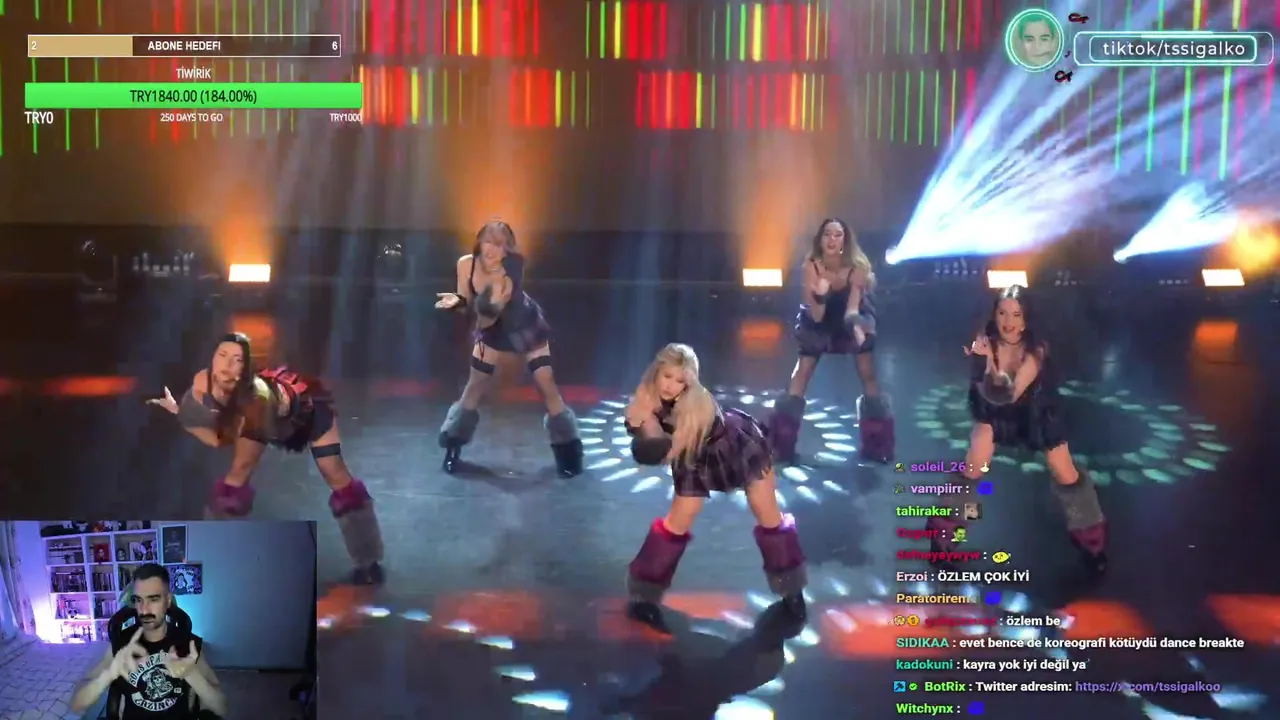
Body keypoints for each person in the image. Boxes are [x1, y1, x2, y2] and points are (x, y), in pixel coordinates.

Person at [149, 332, 385, 585]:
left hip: (308, 415)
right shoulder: (202, 382)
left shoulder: (256, 399)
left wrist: (195, 419)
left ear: (245, 367)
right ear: (213, 358)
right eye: (222, 355)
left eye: (237, 359)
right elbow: (201, 424)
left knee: (334, 473)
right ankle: (218, 559)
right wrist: (179, 411)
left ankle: (369, 560)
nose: (227, 364)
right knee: (234, 482)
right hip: (262, 419)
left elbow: (220, 439)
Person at [623, 343, 808, 632]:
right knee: (678, 521)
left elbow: (665, 450)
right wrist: (641, 423)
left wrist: (648, 435)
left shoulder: (698, 404)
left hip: (736, 448)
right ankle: (643, 596)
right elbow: (648, 440)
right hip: (693, 459)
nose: (671, 385)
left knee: (767, 513)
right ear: (657, 372)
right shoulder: (646, 395)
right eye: (667, 376)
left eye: (680, 380)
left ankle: (792, 590)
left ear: (689, 382)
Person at [928, 285, 1107, 573]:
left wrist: (994, 372)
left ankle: (1091, 543)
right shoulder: (984, 343)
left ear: (1025, 320)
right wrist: (984, 363)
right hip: (995, 411)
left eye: (1016, 314)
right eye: (1002, 313)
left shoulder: (1036, 349)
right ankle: (944, 537)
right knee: (975, 462)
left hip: (1036, 413)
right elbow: (985, 391)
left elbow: (1011, 392)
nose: (1008, 321)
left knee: (1064, 471)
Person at [434, 220, 583, 477]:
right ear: (479, 242)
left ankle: (569, 453)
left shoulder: (512, 267)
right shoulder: (466, 264)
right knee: (474, 385)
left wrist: (476, 314)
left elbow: (492, 312)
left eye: (500, 245)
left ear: (507, 250)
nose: (492, 249)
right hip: (492, 329)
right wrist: (456, 302)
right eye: (488, 242)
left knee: (546, 384)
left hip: (524, 325)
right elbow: (466, 302)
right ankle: (453, 448)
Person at [767, 217, 894, 463]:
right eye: (827, 234)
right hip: (819, 319)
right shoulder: (811, 266)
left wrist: (857, 329)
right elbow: (816, 315)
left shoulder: (857, 268)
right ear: (820, 239)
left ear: (845, 241)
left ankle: (878, 445)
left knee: (867, 372)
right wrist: (821, 295)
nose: (832, 240)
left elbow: (852, 310)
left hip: (849, 317)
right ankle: (781, 444)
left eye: (838, 235)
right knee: (802, 372)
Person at [69, 564, 226, 719]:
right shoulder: (123, 645)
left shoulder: (188, 644)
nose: (144, 610)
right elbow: (76, 704)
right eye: (139, 600)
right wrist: (109, 674)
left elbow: (221, 707)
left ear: (167, 601)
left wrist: (191, 674)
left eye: (153, 599)